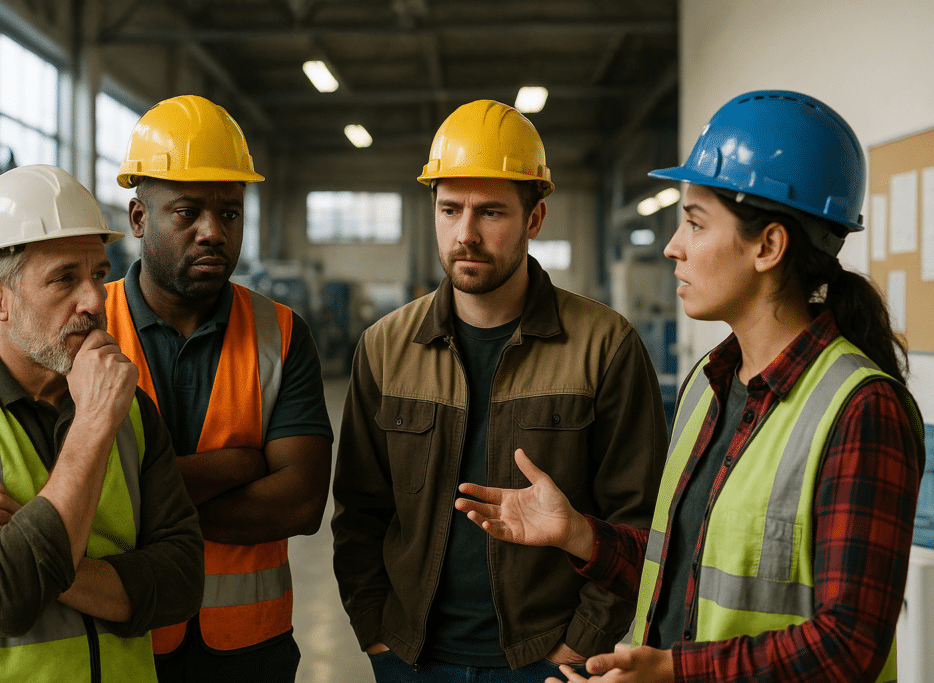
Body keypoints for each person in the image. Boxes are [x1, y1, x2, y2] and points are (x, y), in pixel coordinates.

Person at [456, 90, 925, 683]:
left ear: (769, 246)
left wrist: (675, 673)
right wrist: (576, 533)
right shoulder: (708, 385)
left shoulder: (860, 409)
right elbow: (680, 573)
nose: (674, 246)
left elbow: (849, 645)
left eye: (696, 223)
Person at [331, 99, 668, 682]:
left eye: (491, 212)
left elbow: (641, 521)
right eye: (449, 209)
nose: (466, 234)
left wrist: (577, 647)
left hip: (546, 661)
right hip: (411, 658)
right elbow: (360, 514)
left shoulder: (605, 346)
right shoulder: (384, 347)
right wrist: (377, 633)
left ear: (534, 219)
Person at [0, 164, 204, 681]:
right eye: (64, 278)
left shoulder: (131, 410)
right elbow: (7, 598)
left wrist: (31, 544)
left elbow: (180, 582)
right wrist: (91, 424)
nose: (94, 300)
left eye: (99, 274)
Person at [108, 93, 333, 683]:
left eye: (230, 214)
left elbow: (304, 503)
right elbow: (57, 491)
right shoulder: (84, 331)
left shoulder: (280, 333)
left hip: (248, 649)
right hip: (118, 639)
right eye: (187, 212)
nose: (213, 232)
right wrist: (239, 465)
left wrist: (140, 502)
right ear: (139, 218)